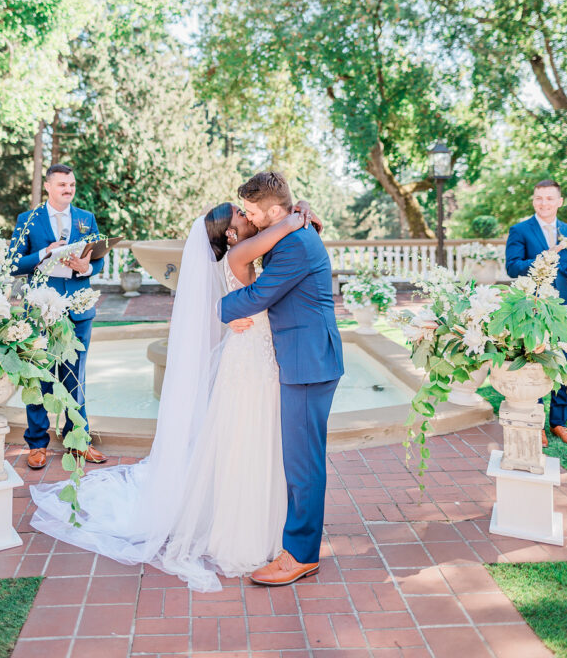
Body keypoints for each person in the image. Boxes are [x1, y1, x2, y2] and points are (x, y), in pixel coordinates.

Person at [29, 195, 318, 591]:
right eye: (241, 213)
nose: (247, 214)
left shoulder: (245, 250)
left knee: (253, 437)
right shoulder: (242, 253)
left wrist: (299, 212)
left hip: (258, 355)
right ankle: (249, 528)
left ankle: (269, 521)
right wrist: (295, 217)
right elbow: (275, 240)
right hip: (252, 360)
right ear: (232, 232)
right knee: (247, 438)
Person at [221, 171, 344, 586]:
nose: (250, 218)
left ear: (275, 211)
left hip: (308, 361)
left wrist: (214, 309)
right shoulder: (289, 230)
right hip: (302, 356)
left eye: (254, 212)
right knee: (299, 459)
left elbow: (258, 296)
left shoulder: (294, 243)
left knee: (303, 463)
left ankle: (302, 555)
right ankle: (298, 544)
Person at [9, 164, 107, 470]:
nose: (68, 189)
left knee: (75, 379)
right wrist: (43, 253)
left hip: (78, 309)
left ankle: (78, 439)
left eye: (72, 185)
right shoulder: (28, 220)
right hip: (39, 312)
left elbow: (99, 258)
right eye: (62, 184)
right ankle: (37, 444)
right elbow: (13, 264)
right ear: (48, 187)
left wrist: (86, 268)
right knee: (38, 378)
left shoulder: (85, 218)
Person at [505, 180, 567, 447]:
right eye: (539, 198)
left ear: (559, 201)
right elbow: (513, 267)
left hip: (566, 310)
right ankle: (536, 421)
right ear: (533, 201)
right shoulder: (519, 230)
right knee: (535, 365)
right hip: (534, 310)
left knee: (564, 366)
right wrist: (544, 257)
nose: (544, 203)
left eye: (550, 198)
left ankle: (559, 422)